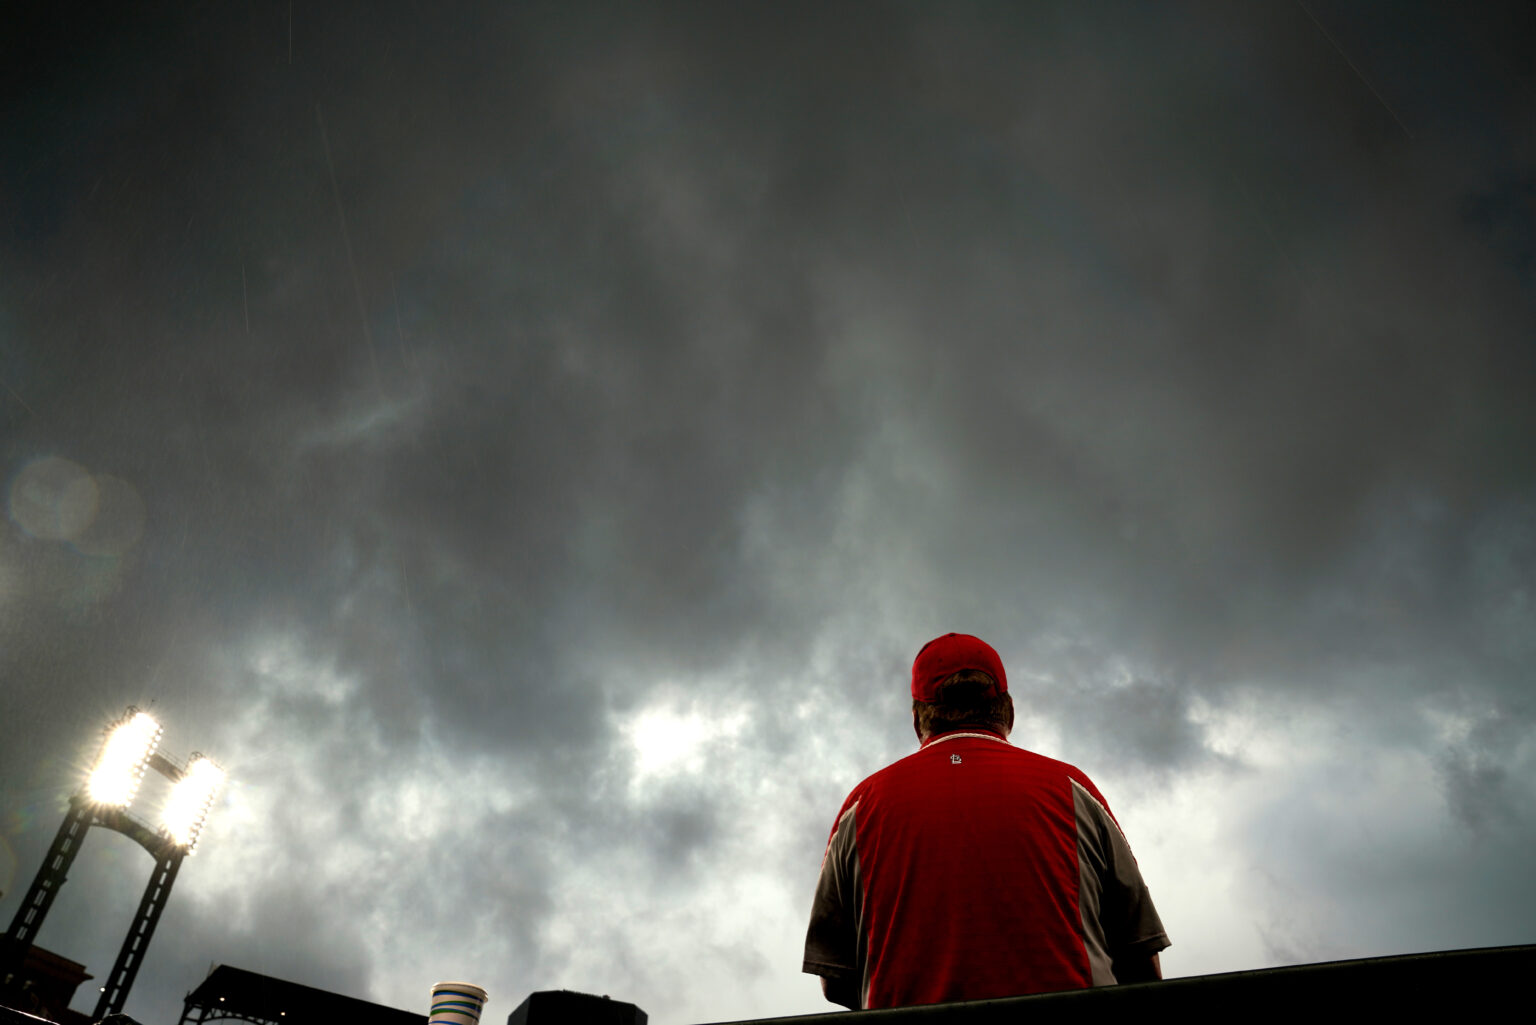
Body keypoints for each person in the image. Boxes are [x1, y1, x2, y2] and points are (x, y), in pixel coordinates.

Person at [803, 632, 1170, 1010]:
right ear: (1008, 711)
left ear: (917, 720)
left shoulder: (861, 807)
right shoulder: (1073, 789)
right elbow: (1141, 959)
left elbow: (836, 979)